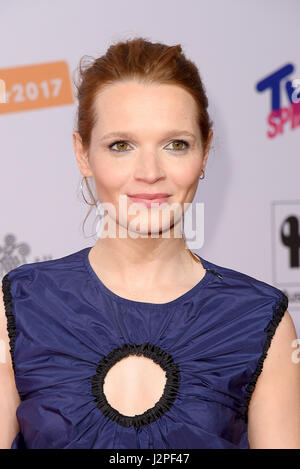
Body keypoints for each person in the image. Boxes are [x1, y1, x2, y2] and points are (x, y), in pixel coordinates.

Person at [1, 37, 300, 450]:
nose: (149, 172)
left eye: (175, 144)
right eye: (121, 146)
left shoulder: (260, 320)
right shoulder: (18, 306)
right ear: (83, 153)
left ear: (206, 151)